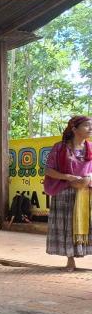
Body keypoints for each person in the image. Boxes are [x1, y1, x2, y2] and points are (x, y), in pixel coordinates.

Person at [44, 115, 92, 271]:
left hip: (86, 192)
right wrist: (68, 177)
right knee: (68, 226)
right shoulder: (59, 148)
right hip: (64, 192)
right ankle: (70, 260)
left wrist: (88, 178)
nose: (90, 128)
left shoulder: (91, 148)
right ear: (74, 129)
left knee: (88, 225)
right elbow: (49, 170)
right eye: (87, 125)